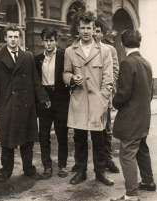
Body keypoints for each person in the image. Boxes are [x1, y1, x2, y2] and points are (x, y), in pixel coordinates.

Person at [0, 25, 50, 182]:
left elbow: (35, 79)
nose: (13, 40)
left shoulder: (27, 56)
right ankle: (5, 171)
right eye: (10, 37)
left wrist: (44, 98)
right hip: (8, 103)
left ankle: (28, 169)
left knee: (27, 139)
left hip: (26, 103)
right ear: (5, 38)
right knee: (7, 139)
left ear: (19, 39)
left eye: (16, 37)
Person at [63, 11, 114, 186]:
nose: (86, 31)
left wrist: (103, 100)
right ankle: (81, 171)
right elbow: (65, 72)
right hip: (79, 102)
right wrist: (71, 79)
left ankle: (100, 172)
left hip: (97, 103)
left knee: (99, 140)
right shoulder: (70, 51)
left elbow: (108, 79)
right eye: (83, 28)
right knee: (79, 139)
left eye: (89, 28)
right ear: (78, 29)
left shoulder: (104, 51)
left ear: (93, 29)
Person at [110, 30, 156, 201]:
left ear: (122, 44)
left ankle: (131, 195)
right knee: (142, 149)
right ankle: (148, 181)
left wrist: (114, 102)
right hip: (143, 117)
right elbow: (149, 93)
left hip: (131, 119)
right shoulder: (146, 62)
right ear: (139, 43)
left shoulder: (127, 63)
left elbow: (123, 94)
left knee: (127, 154)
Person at [35, 27, 69, 179]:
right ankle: (47, 166)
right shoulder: (37, 59)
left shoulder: (63, 56)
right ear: (42, 41)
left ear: (56, 41)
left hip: (60, 98)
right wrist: (43, 99)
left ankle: (62, 165)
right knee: (43, 134)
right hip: (44, 97)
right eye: (46, 41)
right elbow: (36, 81)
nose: (49, 44)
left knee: (62, 133)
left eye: (51, 41)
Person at [94, 19, 120, 173]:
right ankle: (81, 163)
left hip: (104, 96)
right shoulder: (84, 49)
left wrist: (107, 90)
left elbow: (114, 72)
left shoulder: (110, 50)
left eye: (98, 31)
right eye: (93, 30)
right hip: (88, 96)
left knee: (106, 129)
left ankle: (107, 159)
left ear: (102, 33)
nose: (95, 34)